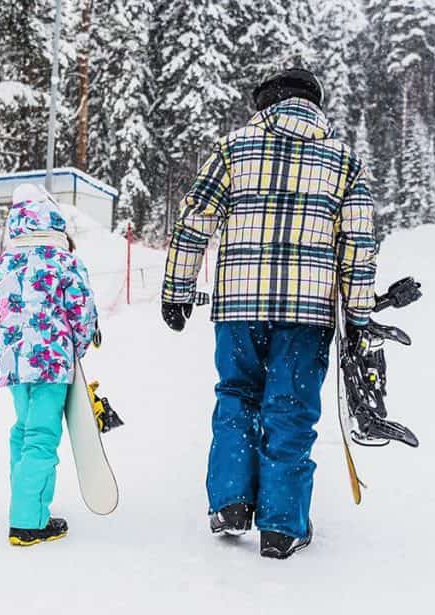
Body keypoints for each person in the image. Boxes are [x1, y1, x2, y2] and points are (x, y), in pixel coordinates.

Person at [161, 68, 377, 560]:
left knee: (237, 395)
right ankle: (282, 525)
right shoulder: (345, 161)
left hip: (238, 304)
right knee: (292, 408)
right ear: (315, 106)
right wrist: (359, 317)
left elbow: (197, 218)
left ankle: (232, 502)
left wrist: (177, 289)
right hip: (308, 313)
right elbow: (358, 246)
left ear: (265, 104)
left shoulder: (233, 147)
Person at [0, 184, 98, 547]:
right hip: (51, 362)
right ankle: (28, 522)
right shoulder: (64, 261)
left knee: (23, 430)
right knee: (42, 436)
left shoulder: (5, 262)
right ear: (54, 221)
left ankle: (24, 504)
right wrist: (77, 348)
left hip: (13, 361)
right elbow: (81, 313)